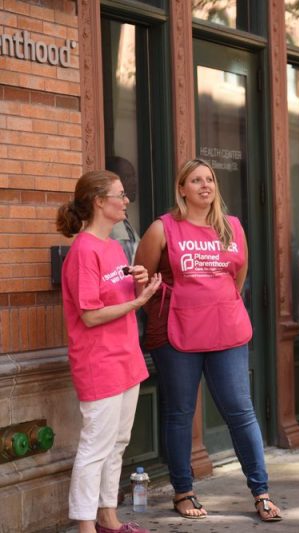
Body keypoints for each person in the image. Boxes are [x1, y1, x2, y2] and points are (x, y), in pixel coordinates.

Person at [135, 159, 282, 522]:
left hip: (227, 331)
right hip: (177, 332)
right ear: (182, 189)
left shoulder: (232, 227)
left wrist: (216, 304)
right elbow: (143, 278)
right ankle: (183, 491)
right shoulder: (162, 228)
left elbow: (238, 276)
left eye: (210, 180)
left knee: (240, 410)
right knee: (180, 413)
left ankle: (261, 492)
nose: (205, 186)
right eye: (196, 180)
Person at [56, 170, 162, 533]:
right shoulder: (83, 251)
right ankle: (86, 526)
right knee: (94, 448)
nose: (126, 200)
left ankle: (108, 518)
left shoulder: (114, 246)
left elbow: (116, 298)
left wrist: (138, 285)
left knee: (117, 443)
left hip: (126, 359)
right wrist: (140, 302)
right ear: (100, 202)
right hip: (98, 362)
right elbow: (89, 315)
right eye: (120, 194)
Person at [106, 156, 140, 264]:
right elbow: (129, 263)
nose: (134, 182)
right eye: (127, 177)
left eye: (134, 176)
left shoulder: (123, 219)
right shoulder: (114, 226)